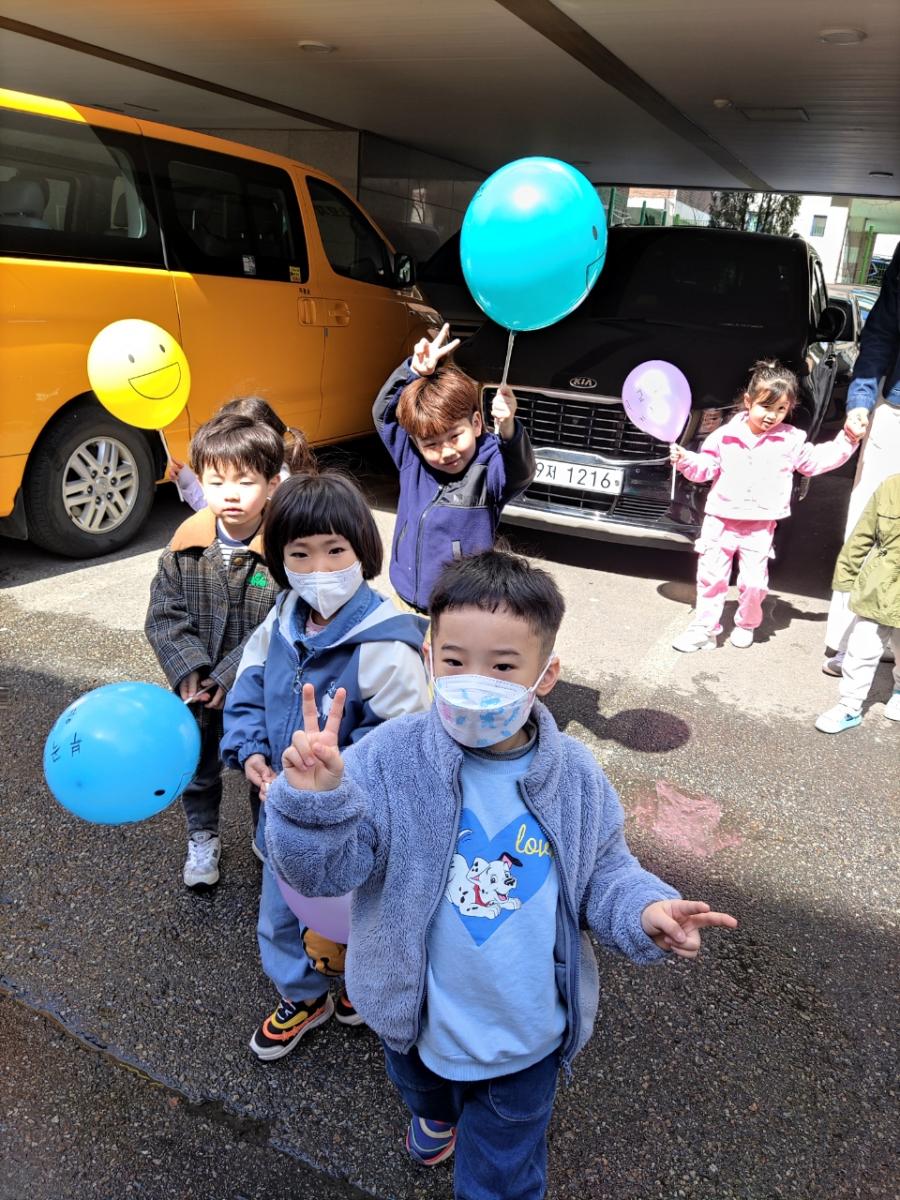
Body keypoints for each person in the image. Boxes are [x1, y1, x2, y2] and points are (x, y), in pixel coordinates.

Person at [263, 549, 737, 1199]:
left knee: (502, 1175)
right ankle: (435, 1115)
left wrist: (644, 910)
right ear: (428, 657)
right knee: (423, 1091)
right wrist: (314, 805)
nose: (474, 681)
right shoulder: (385, 760)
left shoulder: (576, 777)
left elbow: (604, 870)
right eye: (454, 661)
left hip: (525, 1038)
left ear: (546, 674)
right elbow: (326, 874)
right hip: (414, 1021)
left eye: (504, 666)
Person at [221, 470, 430, 1061]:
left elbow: (401, 747)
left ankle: (360, 984)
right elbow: (248, 688)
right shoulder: (281, 619)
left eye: (335, 550)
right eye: (300, 554)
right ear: (279, 561)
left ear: (362, 549)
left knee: (363, 908)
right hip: (281, 810)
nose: (319, 568)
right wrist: (251, 751)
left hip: (353, 820)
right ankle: (303, 994)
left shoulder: (385, 644)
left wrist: (334, 780)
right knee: (279, 910)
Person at [146, 413, 283, 889]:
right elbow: (163, 614)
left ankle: (268, 834)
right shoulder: (184, 547)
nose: (230, 494)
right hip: (197, 693)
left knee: (262, 767)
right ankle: (202, 835)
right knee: (199, 770)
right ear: (200, 481)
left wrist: (229, 675)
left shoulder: (284, 551)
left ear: (272, 483)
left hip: (259, 692)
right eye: (216, 481)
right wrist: (189, 669)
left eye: (245, 481)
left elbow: (279, 624)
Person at [669, 359, 863, 652]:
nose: (772, 415)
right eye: (765, 406)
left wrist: (847, 440)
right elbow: (705, 468)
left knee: (754, 583)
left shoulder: (791, 440)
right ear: (748, 402)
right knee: (711, 578)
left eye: (781, 409)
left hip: (760, 525)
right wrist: (686, 460)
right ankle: (704, 630)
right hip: (720, 520)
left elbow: (815, 461)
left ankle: (747, 623)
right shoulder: (724, 436)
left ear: (789, 409)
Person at [373, 323, 536, 612]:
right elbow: (383, 412)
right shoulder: (411, 458)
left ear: (476, 423)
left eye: (455, 436)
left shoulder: (489, 466)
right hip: (403, 596)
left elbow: (520, 472)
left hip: (457, 608)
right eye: (431, 444)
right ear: (415, 442)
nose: (446, 451)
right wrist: (412, 371)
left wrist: (508, 427)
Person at [824, 243, 900, 674]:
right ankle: (851, 642)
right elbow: (882, 332)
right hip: (895, 410)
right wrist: (861, 401)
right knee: (868, 529)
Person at [815, 472, 900, 733]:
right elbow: (862, 534)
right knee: (862, 648)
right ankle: (849, 705)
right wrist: (846, 576)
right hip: (880, 587)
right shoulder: (891, 486)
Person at [168, 396, 315, 510]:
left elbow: (209, 508)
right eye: (217, 483)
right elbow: (211, 508)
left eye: (245, 483)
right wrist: (188, 480)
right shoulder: (262, 472)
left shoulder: (280, 488)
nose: (230, 497)